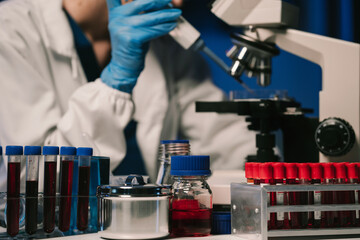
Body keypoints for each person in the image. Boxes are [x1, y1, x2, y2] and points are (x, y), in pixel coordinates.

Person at [0, 0, 256, 185]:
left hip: (145, 222)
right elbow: (31, 179)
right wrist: (116, 82)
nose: (177, 2)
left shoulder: (166, 46)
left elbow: (226, 142)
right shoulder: (12, 30)